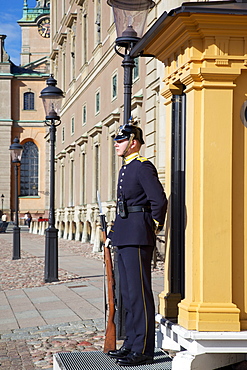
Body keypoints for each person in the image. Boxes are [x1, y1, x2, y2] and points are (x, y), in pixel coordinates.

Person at [107, 121, 167, 367]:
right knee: (127, 294)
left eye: (120, 141)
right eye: (116, 141)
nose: (116, 144)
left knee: (140, 294)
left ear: (133, 142)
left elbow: (159, 201)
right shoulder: (125, 169)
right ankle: (131, 344)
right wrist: (113, 232)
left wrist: (151, 226)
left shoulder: (143, 167)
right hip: (124, 234)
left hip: (137, 235)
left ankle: (143, 349)